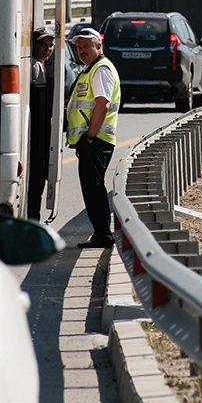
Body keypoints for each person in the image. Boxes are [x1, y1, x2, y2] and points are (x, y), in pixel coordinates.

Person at [66, 28, 120, 249]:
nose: (82, 51)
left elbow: (102, 104)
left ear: (99, 47)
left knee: (94, 188)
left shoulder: (101, 70)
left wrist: (89, 137)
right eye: (79, 47)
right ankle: (101, 233)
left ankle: (102, 235)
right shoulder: (90, 69)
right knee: (91, 187)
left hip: (97, 140)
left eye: (87, 46)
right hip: (91, 140)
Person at [26, 26, 56, 221]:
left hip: (41, 139)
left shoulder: (41, 65)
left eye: (51, 45)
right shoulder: (35, 67)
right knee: (35, 183)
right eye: (43, 45)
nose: (48, 49)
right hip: (37, 139)